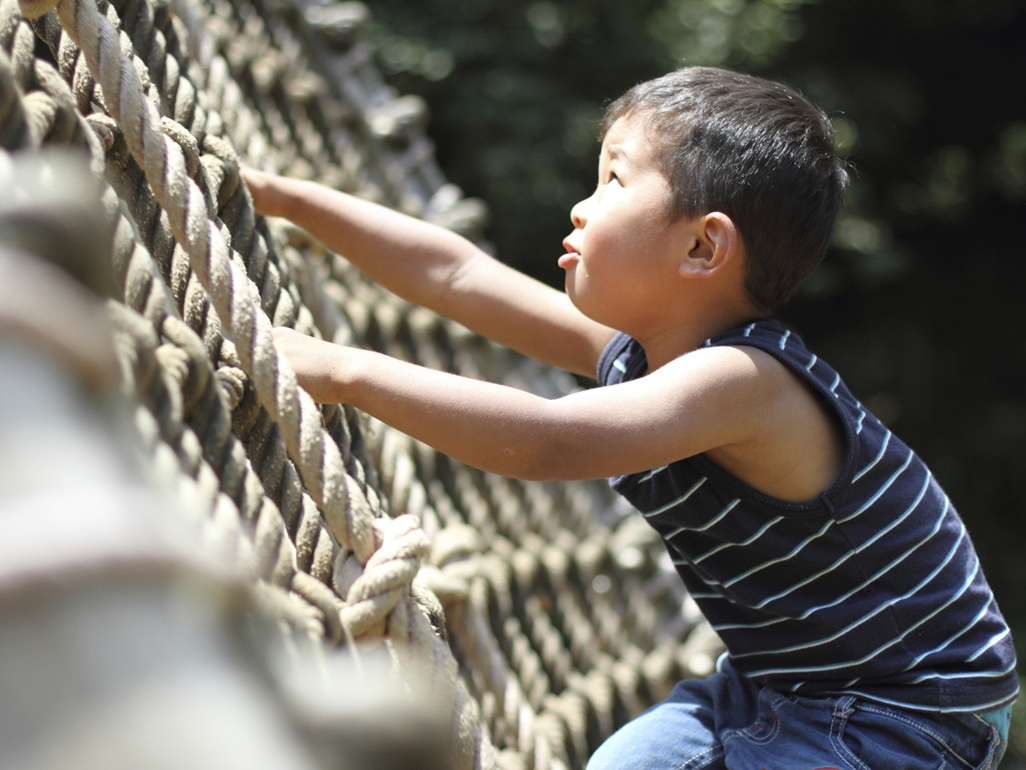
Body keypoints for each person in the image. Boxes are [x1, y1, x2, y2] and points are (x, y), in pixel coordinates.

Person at [242, 66, 1017, 769]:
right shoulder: (645, 354)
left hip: (905, 716)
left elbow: (549, 440)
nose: (581, 205)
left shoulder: (744, 383)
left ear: (702, 247)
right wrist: (284, 198)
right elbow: (458, 274)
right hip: (778, 680)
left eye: (613, 181)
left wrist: (345, 371)